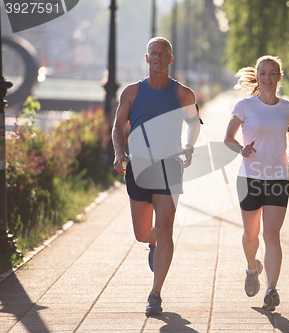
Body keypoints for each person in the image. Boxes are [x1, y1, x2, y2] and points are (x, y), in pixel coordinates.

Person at [112, 37, 201, 316]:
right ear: (147, 58)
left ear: (170, 59)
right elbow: (117, 128)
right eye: (154, 53)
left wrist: (189, 146)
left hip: (168, 167)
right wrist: (118, 153)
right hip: (138, 166)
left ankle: (155, 293)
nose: (159, 58)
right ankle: (151, 243)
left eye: (164, 54)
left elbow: (194, 124)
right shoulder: (131, 92)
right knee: (142, 234)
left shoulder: (184, 94)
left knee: (165, 229)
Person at [224, 55, 289, 311]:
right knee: (250, 235)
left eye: (272, 73)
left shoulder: (288, 108)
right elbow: (228, 138)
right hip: (249, 178)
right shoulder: (245, 106)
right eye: (262, 73)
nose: (267, 78)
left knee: (271, 234)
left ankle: (271, 289)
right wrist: (241, 149)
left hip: (279, 177)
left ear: (279, 77)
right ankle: (251, 268)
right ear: (257, 77)